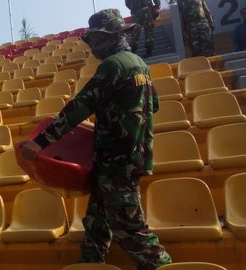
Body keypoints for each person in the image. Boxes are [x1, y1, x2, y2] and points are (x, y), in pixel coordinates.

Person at [16, 9, 172, 270]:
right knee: (98, 223)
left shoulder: (114, 65)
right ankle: (89, 266)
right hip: (123, 158)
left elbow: (80, 106)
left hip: (118, 162)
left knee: (130, 230)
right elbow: (152, 105)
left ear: (112, 37)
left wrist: (40, 142)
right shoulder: (139, 64)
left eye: (97, 39)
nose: (94, 46)